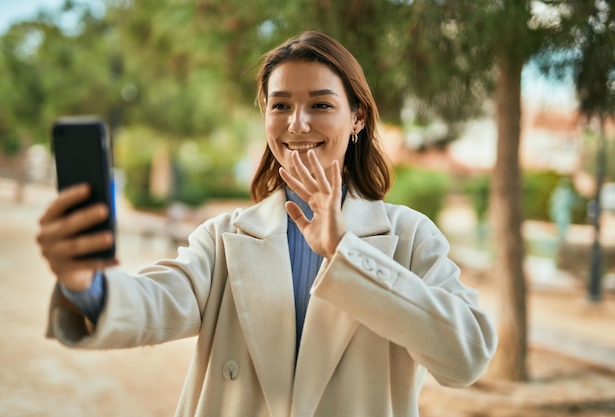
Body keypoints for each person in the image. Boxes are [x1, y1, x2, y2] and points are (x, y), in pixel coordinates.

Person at [37, 31, 498, 417]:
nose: (297, 124)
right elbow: (158, 302)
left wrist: (344, 252)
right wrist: (86, 282)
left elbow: (466, 357)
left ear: (357, 117)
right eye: (280, 106)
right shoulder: (224, 237)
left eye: (320, 105)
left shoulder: (411, 237)